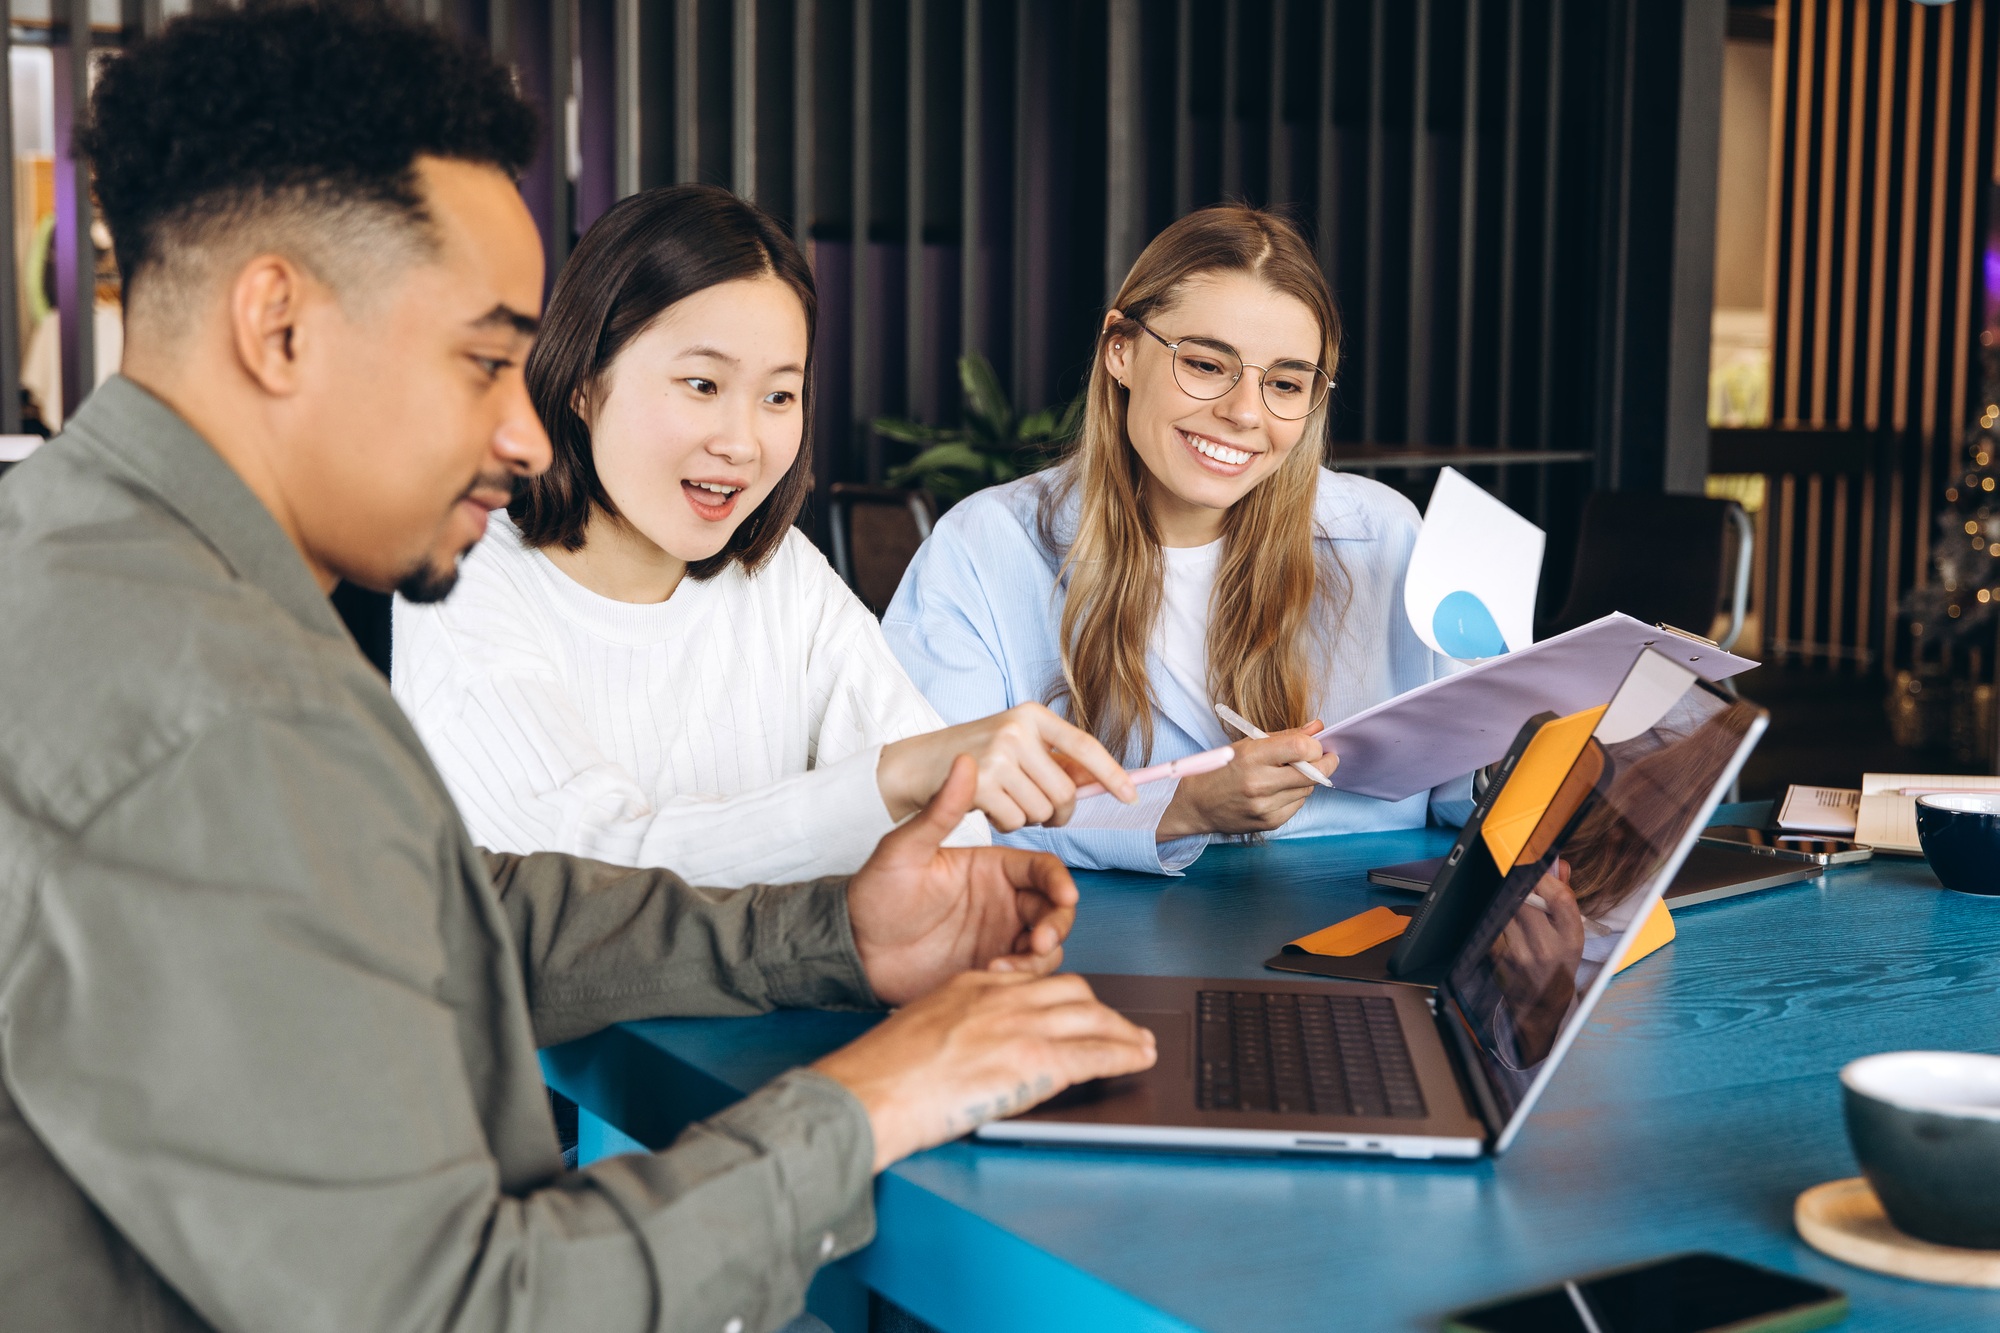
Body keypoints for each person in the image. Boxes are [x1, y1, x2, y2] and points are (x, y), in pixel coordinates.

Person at [0, 6, 1154, 1331]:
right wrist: (876, 1099)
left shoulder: (102, 568)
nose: (525, 429)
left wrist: (834, 933)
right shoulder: (215, 713)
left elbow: (451, 910)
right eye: (490, 359)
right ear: (280, 326)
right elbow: (462, 1307)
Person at [393, 183, 1137, 888]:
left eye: (780, 395)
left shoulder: (779, 575)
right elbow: (591, 876)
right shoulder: (462, 581)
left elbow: (949, 836)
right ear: (584, 382)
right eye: (703, 385)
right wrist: (892, 780)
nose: (743, 443)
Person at [885, 205, 1473, 874]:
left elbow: (1468, 784)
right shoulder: (983, 548)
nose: (1245, 413)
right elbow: (935, 813)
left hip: (1361, 936)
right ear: (1121, 350)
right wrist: (1181, 807)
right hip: (1090, 943)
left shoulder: (1387, 534)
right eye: (1204, 364)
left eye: (1284, 383)